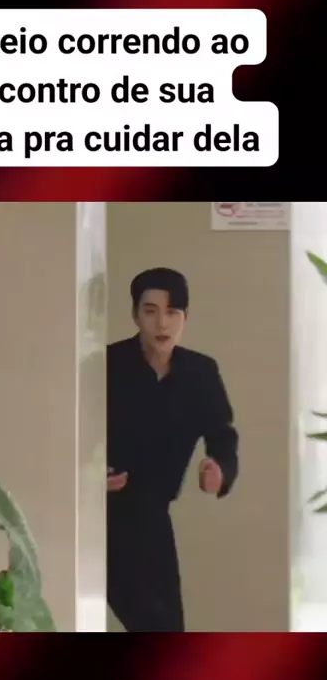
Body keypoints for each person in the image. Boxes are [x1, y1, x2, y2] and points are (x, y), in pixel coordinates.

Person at [107, 267, 239, 632]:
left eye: (172, 312)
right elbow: (73, 433)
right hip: (100, 515)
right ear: (135, 315)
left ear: (185, 316)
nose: (161, 323)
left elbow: (222, 434)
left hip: (153, 518)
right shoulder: (105, 365)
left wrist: (219, 468)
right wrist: (90, 475)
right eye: (150, 311)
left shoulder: (200, 372)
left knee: (167, 627)